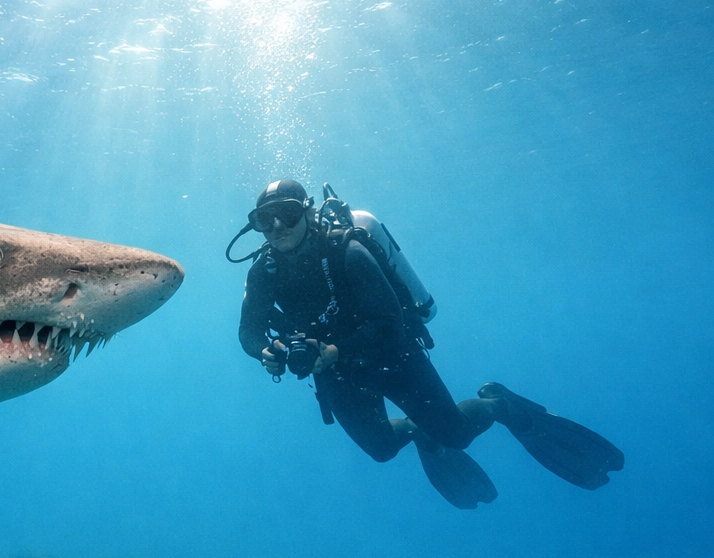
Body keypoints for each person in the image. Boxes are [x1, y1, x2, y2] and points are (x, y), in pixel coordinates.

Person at [233, 179, 623, 507]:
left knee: (455, 435)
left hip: (392, 355)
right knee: (382, 450)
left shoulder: (346, 251)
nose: (277, 225)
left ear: (306, 210)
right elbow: (249, 332)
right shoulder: (263, 273)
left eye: (286, 212)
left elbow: (389, 322)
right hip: (336, 372)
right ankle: (419, 431)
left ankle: (499, 403)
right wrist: (266, 352)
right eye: (264, 219)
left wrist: (335, 350)